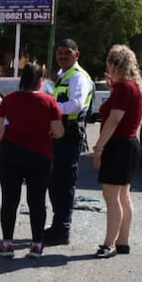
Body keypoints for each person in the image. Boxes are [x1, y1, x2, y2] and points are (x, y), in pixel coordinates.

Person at [0, 62, 64, 258]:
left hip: (11, 153)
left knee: (9, 200)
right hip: (40, 155)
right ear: (40, 81)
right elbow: (58, 132)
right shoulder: (49, 102)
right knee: (37, 200)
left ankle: (7, 244)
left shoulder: (10, 99)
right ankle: (36, 244)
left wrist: (1, 146)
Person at [91, 45, 142, 258]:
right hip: (130, 144)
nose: (109, 69)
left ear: (115, 65)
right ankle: (122, 241)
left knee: (111, 196)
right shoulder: (132, 87)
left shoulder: (124, 88)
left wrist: (99, 148)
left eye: (110, 65)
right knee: (123, 196)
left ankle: (109, 244)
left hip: (119, 145)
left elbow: (114, 120)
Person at [44, 38, 94, 245]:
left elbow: (76, 104)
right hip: (60, 135)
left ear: (77, 54)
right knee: (55, 183)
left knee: (64, 184)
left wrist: (50, 108)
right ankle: (57, 225)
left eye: (67, 52)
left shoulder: (78, 77)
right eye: (60, 53)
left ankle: (62, 229)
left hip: (70, 136)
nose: (62, 56)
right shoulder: (62, 76)